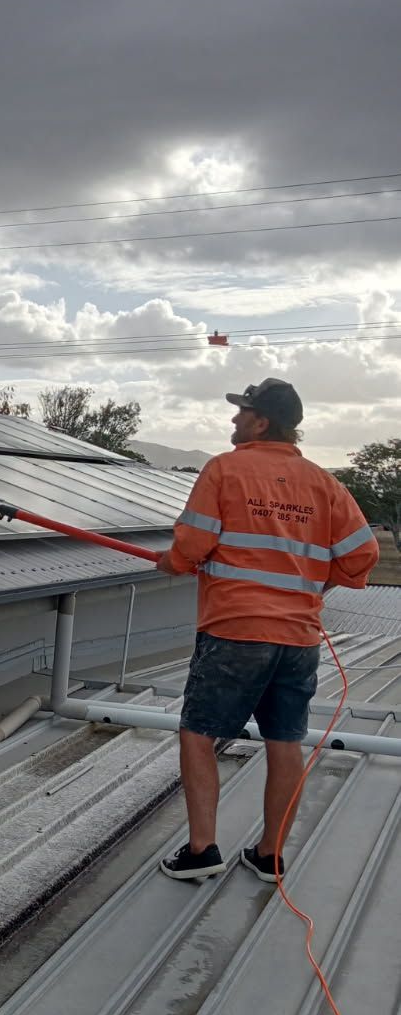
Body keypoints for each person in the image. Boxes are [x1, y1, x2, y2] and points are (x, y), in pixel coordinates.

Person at [157, 378, 378, 882]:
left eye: (243, 413)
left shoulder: (224, 469)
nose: (234, 420)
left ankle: (201, 851)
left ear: (262, 422)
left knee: (198, 734)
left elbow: (190, 546)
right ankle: (270, 856)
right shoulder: (324, 483)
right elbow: (362, 555)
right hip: (299, 638)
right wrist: (316, 587)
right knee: (285, 741)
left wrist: (168, 563)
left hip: (235, 629)